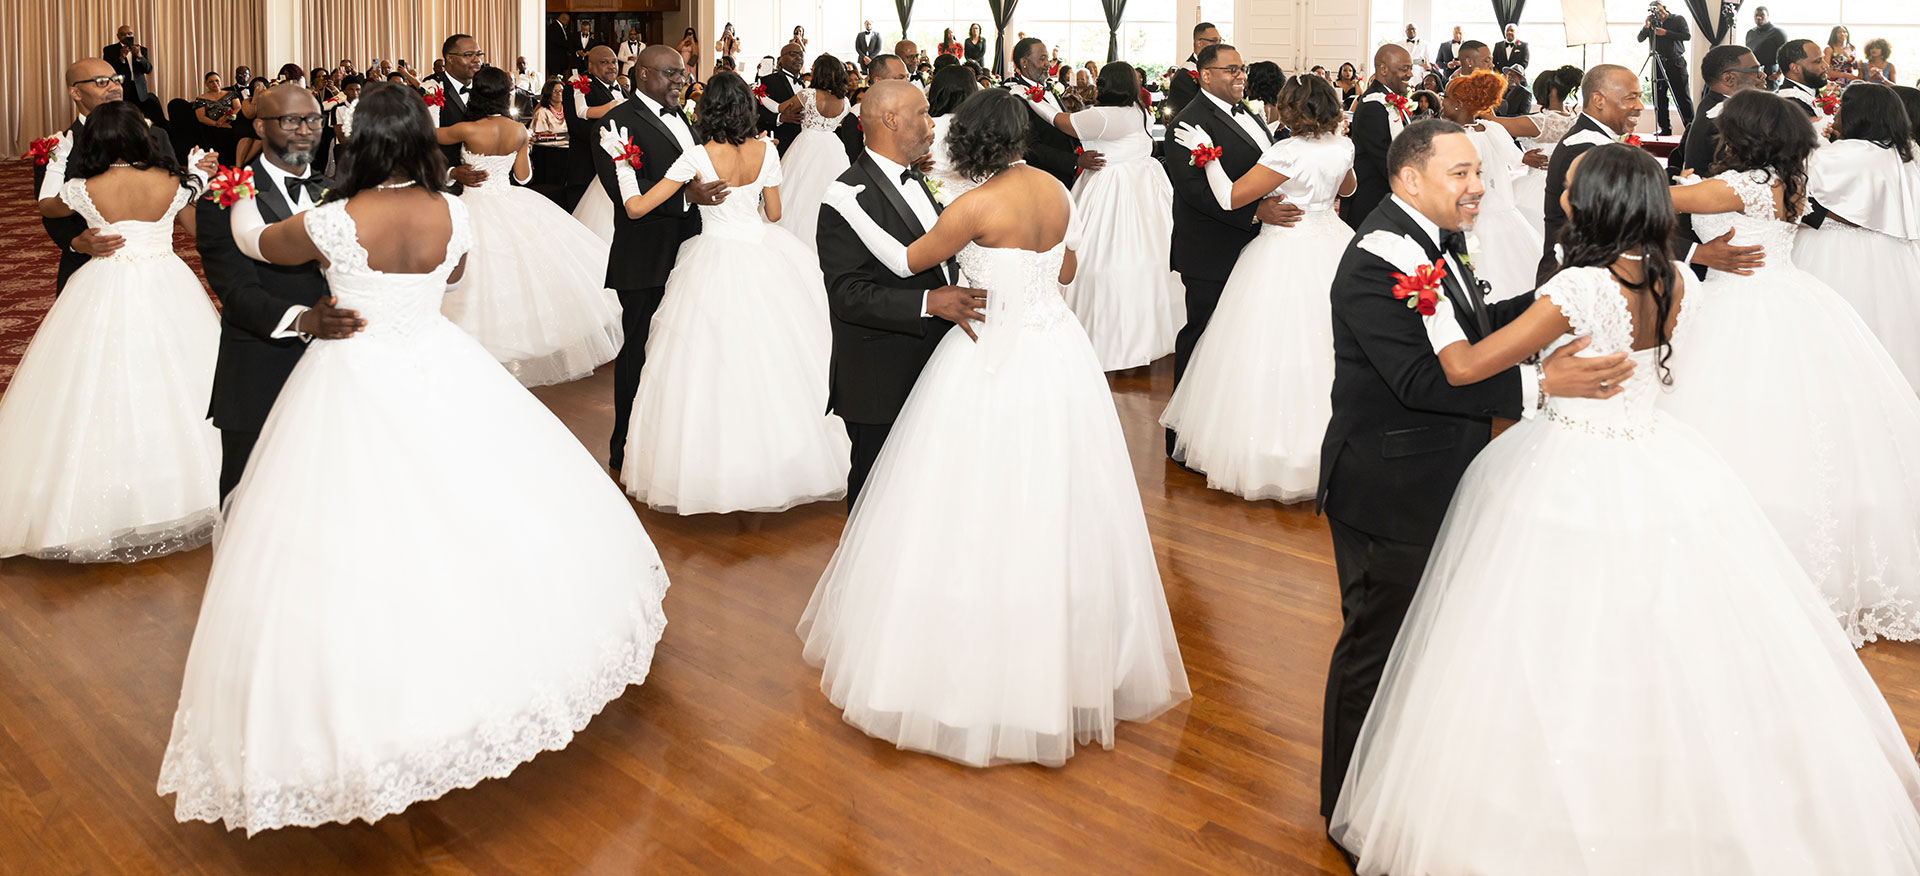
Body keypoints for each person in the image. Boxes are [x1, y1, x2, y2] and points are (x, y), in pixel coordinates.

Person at [1327, 140, 1920, 875]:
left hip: (1568, 469)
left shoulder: (1577, 287)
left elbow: (1460, 366)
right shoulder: (1678, 280)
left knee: (1542, 641)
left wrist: (1439, 313)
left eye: (1573, 189)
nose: (1562, 198)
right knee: (1651, 641)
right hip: (1654, 463)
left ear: (1600, 205)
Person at [156, 81, 671, 834]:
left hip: (353, 373)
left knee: (350, 534)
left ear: (361, 140)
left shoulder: (333, 219)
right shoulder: (455, 212)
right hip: (438, 362)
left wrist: (226, 188)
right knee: (475, 515)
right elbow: (453, 275)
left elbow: (251, 243)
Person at [801, 86, 1190, 767]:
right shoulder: (1058, 191)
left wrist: (844, 206)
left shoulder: (973, 204)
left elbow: (905, 262)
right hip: (1057, 352)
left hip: (986, 352)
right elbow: (1066, 266)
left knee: (970, 502)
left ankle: (959, 654)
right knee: (1052, 498)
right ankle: (1065, 660)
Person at [1313, 118, 1628, 822]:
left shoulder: (1434, 241)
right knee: (1375, 650)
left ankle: (1393, 784)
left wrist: (1560, 304)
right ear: (1409, 178)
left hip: (1439, 473)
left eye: (1477, 172)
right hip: (1389, 489)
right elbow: (1421, 380)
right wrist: (1544, 385)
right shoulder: (1376, 258)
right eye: (1461, 173)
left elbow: (1476, 326)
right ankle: (1347, 808)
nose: (1478, 186)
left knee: (1421, 643)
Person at [1660, 89, 1920, 646]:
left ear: (1743, 132)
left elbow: (1638, 198)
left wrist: (1690, 242)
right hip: (1793, 299)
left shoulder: (1738, 186)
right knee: (1809, 436)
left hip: (1742, 308)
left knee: (1739, 428)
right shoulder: (1785, 182)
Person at [600, 72, 849, 513]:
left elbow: (636, 208)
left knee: (709, 363)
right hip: (763, 254)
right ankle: (779, 459)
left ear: (707, 110)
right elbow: (774, 213)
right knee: (775, 357)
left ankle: (715, 467)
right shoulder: (768, 150)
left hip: (711, 259)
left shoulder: (695, 156)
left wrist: (622, 165)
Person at [0, 99, 217, 561]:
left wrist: (59, 159)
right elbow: (197, 232)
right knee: (177, 379)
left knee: (97, 383)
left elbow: (46, 205)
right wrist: (200, 179)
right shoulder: (173, 183)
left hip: (104, 281)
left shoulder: (83, 186)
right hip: (167, 280)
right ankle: (182, 491)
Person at [1162, 74, 1355, 501]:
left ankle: (1272, 451)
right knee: (1327, 345)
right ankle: (1330, 447)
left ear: (1289, 109)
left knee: (1273, 344)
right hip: (1331, 243)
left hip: (1286, 250)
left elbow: (1231, 198)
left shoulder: (1287, 151)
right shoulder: (1343, 145)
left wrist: (1207, 158)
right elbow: (1349, 187)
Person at [810, 81, 975, 505]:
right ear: (890, 119)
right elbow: (847, 294)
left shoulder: (918, 179)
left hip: (932, 359)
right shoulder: (845, 195)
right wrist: (927, 302)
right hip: (879, 373)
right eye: (921, 112)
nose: (930, 121)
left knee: (922, 488)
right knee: (875, 492)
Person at [195, 84, 345, 499]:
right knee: (249, 496)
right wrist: (303, 319)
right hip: (262, 366)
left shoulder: (338, 190)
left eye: (314, 119)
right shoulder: (223, 197)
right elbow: (236, 292)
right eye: (291, 120)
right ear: (260, 126)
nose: (305, 130)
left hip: (339, 365)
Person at [436, 67, 622, 387]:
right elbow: (524, 177)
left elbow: (425, 136)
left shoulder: (465, 129)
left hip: (472, 202)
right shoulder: (518, 130)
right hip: (506, 198)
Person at [592, 45, 729, 475]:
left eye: (683, 73)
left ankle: (670, 446)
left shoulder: (684, 117)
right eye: (671, 73)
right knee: (638, 352)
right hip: (646, 256)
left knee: (682, 352)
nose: (680, 80)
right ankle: (626, 445)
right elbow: (624, 193)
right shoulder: (617, 122)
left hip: (690, 253)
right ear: (643, 74)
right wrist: (687, 197)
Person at [1163, 42, 1303, 456]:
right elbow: (1194, 192)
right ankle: (1182, 438)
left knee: (1236, 342)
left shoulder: (1250, 113)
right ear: (1205, 76)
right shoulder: (1187, 124)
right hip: (1211, 249)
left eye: (1242, 69)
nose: (1241, 76)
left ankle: (1223, 432)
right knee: (1202, 338)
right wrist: (1257, 213)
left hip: (1253, 250)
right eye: (1230, 70)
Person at [1024, 61, 1181, 371]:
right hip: (1144, 184)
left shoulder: (1103, 116)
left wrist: (1031, 98)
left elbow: (1060, 121)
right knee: (1154, 254)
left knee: (1099, 257)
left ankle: (1104, 334)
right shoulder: (1139, 111)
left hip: (1112, 186)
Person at [1792, 83, 1920, 391]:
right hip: (1895, 255)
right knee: (1892, 326)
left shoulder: (1833, 157)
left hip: (1832, 251)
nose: (1836, 112)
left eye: (1842, 107)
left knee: (1832, 332)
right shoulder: (1908, 153)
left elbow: (1799, 200)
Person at [33, 58, 174, 293]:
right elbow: (50, 211)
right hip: (85, 267)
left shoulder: (156, 135)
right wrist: (76, 243)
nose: (114, 87)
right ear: (75, 92)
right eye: (101, 82)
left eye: (116, 80)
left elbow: (173, 193)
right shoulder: (58, 145)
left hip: (151, 266)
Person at [1440, 70, 1540, 303]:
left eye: (1445, 96)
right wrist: (1528, 158)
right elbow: (1516, 157)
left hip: (1469, 211)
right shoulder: (1491, 128)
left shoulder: (1452, 135)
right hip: (1501, 208)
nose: (1441, 101)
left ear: (1458, 105)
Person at [774, 55, 854, 250]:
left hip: (807, 144)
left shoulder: (808, 95)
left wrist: (762, 97)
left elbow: (780, 108)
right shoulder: (844, 101)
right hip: (832, 146)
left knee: (797, 189)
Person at [1004, 38, 1093, 187]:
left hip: (1067, 176)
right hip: (1043, 179)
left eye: (1048, 59)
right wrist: (1074, 162)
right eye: (1042, 58)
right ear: (1024, 62)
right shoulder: (1017, 98)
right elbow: (1030, 146)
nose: (1048, 64)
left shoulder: (1051, 89)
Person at [1341, 43, 1413, 226]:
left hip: (1386, 201)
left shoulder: (1392, 101)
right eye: (1405, 69)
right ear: (1383, 69)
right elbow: (1386, 160)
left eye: (1411, 69)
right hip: (1372, 204)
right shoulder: (1373, 105)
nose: (1410, 74)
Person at [566, 45, 631, 236]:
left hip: (615, 172)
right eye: (604, 63)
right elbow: (578, 127)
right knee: (582, 230)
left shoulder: (621, 89)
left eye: (613, 62)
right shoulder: (579, 87)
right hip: (587, 168)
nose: (611, 67)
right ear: (591, 66)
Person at [430, 34, 489, 188]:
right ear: (449, 58)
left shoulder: (486, 90)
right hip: (447, 187)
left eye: (479, 54)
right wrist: (450, 173)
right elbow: (422, 143)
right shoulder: (430, 91)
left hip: (485, 183)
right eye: (469, 55)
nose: (477, 60)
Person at [1637, 3, 1694, 136]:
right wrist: (1646, 26)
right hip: (1658, 62)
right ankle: (1665, 128)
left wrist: (1666, 33)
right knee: (1660, 98)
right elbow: (1640, 39)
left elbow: (1687, 36)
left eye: (1661, 11)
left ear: (1664, 8)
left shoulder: (1677, 19)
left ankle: (1691, 128)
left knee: (1682, 97)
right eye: (1657, 12)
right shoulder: (1651, 23)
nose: (1660, 14)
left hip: (1676, 62)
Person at [103, 24, 164, 127]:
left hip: (139, 90)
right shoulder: (110, 50)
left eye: (129, 34)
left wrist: (139, 56)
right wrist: (121, 58)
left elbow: (148, 69)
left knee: (139, 119)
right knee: (122, 118)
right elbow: (108, 71)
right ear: (118, 36)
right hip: (121, 89)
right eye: (123, 34)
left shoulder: (141, 50)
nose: (127, 36)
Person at [759, 41, 807, 154]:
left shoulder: (805, 83)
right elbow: (758, 113)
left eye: (801, 54)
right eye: (793, 54)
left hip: (805, 145)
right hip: (782, 143)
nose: (798, 58)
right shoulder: (768, 81)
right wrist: (779, 118)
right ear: (780, 59)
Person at [1168, 22, 1219, 115]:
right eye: (1214, 41)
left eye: (1220, 41)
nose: (1218, 45)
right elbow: (1195, 110)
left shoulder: (1214, 68)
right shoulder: (1184, 75)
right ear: (1199, 42)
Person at [530, 79, 570, 194]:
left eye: (561, 90)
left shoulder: (568, 109)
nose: (559, 93)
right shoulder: (542, 111)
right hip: (548, 153)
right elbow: (540, 134)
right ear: (548, 93)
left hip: (566, 151)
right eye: (555, 91)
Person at [194, 71, 240, 165]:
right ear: (206, 84)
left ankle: (235, 164)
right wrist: (218, 124)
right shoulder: (200, 99)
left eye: (217, 81)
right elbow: (201, 117)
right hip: (212, 127)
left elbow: (238, 107)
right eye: (211, 82)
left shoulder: (231, 94)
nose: (215, 83)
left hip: (231, 123)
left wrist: (226, 118)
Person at [1776, 38, 1829, 119]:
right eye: (1818, 61)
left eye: (1823, 59)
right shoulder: (1790, 103)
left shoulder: (1810, 90)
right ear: (1795, 68)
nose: (1826, 65)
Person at [1745, 6, 1787, 80]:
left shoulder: (1778, 32)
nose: (1759, 17)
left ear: (1767, 16)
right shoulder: (1750, 33)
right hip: (1754, 72)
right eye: (1756, 15)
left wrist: (1778, 74)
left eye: (1762, 15)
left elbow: (1785, 54)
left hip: (1771, 73)